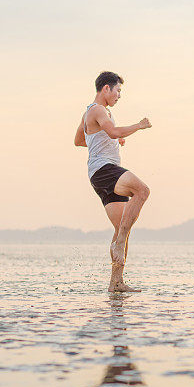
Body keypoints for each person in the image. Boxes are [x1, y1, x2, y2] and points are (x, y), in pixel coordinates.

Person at [74, 71, 152, 292]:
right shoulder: (98, 109)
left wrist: (110, 140)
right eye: (118, 90)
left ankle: (116, 283)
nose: (119, 95)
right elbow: (113, 130)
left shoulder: (90, 113)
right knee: (143, 191)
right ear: (106, 88)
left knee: (120, 227)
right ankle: (120, 240)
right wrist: (139, 125)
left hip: (98, 174)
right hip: (105, 170)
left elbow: (80, 140)